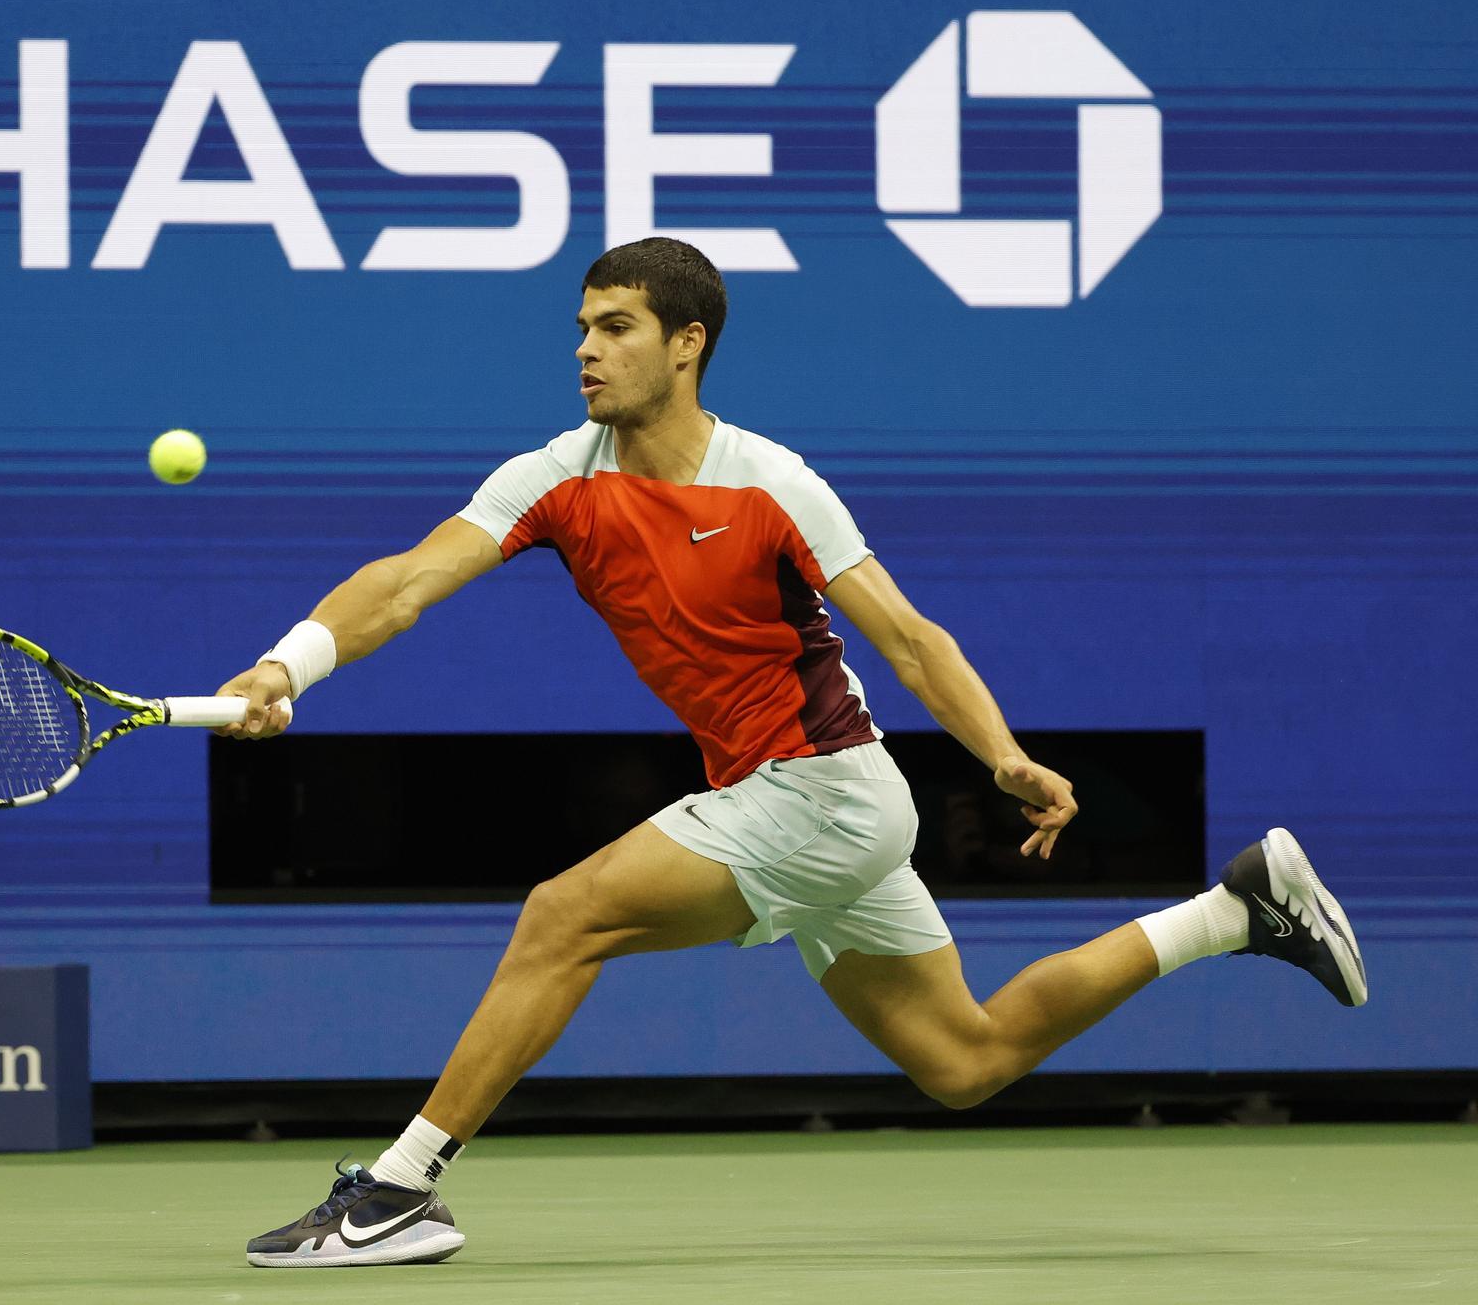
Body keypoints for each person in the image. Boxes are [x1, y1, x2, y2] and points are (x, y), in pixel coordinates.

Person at [217, 237, 1366, 1269]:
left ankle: (399, 1188)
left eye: (613, 327)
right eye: (578, 327)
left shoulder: (770, 482)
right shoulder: (554, 479)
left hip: (824, 792)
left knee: (560, 916)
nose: (585, 349)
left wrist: (1001, 755)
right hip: (791, 801)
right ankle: (1233, 910)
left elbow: (909, 641)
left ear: (686, 342)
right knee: (964, 1058)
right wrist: (285, 666)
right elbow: (405, 581)